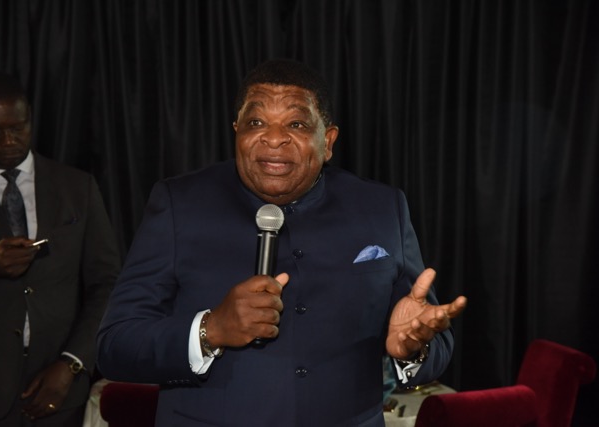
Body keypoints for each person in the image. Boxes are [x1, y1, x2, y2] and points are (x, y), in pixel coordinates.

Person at [96, 59, 467, 426]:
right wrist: (211, 330)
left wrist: (413, 348)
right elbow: (115, 345)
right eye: (256, 122)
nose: (274, 138)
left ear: (328, 141)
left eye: (296, 124)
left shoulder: (382, 207)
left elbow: (431, 338)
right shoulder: (180, 205)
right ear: (237, 131)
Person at [0, 71, 121, 426]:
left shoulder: (77, 187)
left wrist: (72, 363)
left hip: (61, 396)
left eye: (18, 127)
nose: (9, 141)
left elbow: (107, 283)